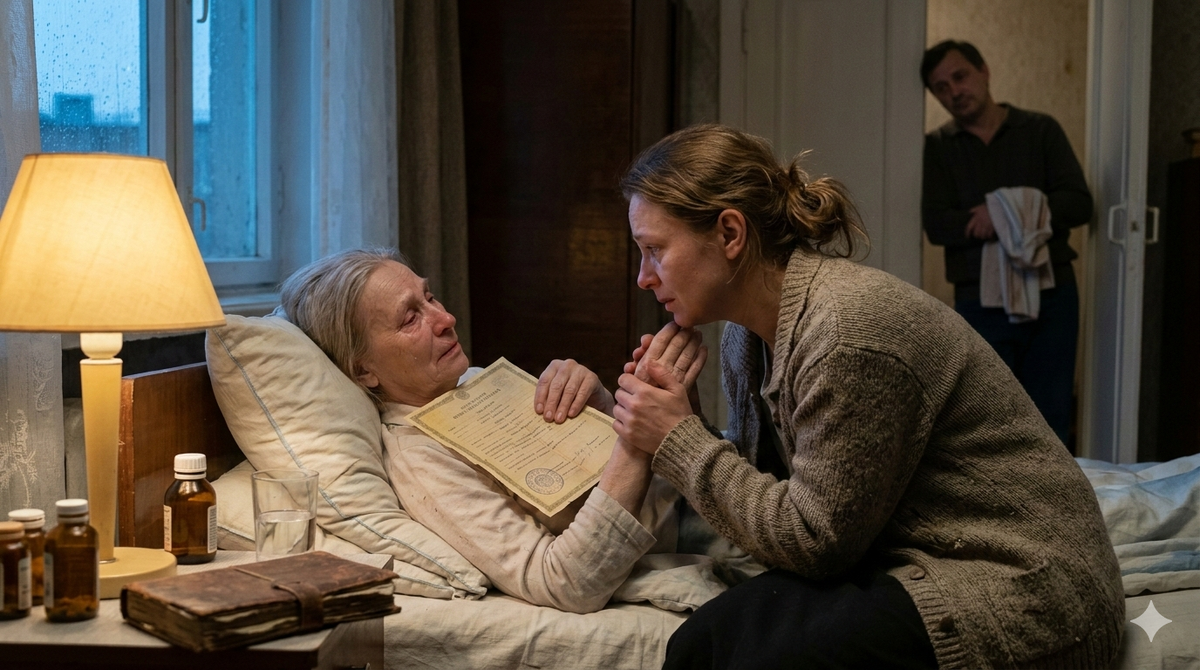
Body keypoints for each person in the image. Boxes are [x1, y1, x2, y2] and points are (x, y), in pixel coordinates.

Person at [611, 124, 1123, 668]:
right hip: (902, 556)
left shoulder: (845, 334)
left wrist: (681, 441)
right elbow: (778, 493)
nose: (643, 277)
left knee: (756, 656)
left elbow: (814, 542)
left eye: (654, 250)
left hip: (1024, 584)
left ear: (730, 233)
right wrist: (683, 423)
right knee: (703, 641)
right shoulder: (746, 335)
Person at [279, 248, 706, 613]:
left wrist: (610, 408)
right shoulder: (419, 457)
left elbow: (648, 485)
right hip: (689, 538)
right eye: (410, 319)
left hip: (698, 509)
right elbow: (565, 581)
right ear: (362, 371)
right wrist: (634, 436)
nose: (445, 318)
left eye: (430, 297)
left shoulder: (477, 382)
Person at [921, 39, 1093, 448]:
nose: (954, 91)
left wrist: (999, 212)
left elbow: (1078, 203)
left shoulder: (1040, 130)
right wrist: (1011, 216)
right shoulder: (937, 147)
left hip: (1051, 292)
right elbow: (937, 224)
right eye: (941, 87)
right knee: (987, 417)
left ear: (984, 71)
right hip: (979, 298)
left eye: (960, 76)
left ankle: (1055, 490)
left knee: (1051, 414)